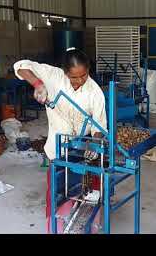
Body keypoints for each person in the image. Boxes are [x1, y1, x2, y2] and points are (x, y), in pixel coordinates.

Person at [13, 48, 107, 232]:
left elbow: (99, 126)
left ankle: (90, 224)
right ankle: (55, 226)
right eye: (74, 77)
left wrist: (94, 144)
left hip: (82, 146)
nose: (80, 81)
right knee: (57, 189)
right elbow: (21, 66)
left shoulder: (95, 92)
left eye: (84, 75)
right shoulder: (53, 76)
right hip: (57, 147)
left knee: (90, 187)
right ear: (65, 73)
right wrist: (38, 84)